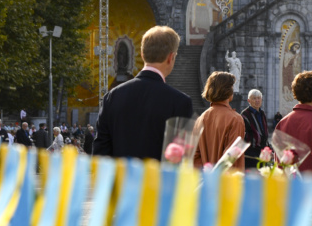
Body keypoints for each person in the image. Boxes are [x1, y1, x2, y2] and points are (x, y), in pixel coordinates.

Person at [93, 26, 194, 160]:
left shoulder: (112, 97)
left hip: (120, 180)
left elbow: (100, 156)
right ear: (170, 58)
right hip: (159, 180)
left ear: (142, 54)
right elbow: (181, 160)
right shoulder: (180, 102)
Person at [193, 72, 246, 171]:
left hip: (205, 181)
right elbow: (233, 160)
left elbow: (194, 158)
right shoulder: (235, 119)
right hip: (226, 183)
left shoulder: (201, 118)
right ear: (228, 90)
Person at [241, 89, 269, 169]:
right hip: (250, 153)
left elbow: (264, 132)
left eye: (259, 98)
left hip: (262, 152)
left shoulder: (262, 113)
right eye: (254, 98)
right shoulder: (245, 114)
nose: (257, 100)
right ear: (249, 100)